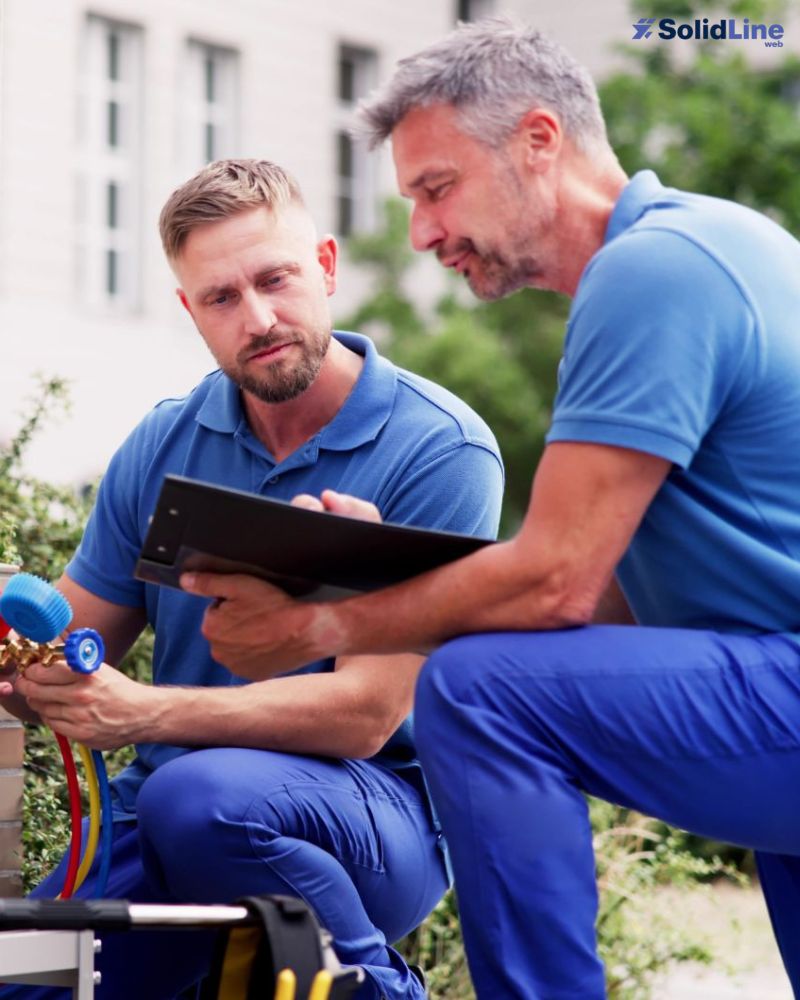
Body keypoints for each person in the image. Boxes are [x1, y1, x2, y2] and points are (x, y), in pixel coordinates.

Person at [180, 19, 800, 1000]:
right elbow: (608, 602)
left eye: (436, 187)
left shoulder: (653, 271)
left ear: (538, 141)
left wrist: (318, 622)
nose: (422, 232)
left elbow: (554, 585)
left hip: (781, 688)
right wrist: (394, 572)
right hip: (765, 682)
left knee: (481, 691)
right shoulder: (704, 246)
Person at [0, 158, 504, 1000]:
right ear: (190, 311)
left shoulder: (438, 450)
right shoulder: (162, 445)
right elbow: (62, 655)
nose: (260, 317)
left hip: (377, 819)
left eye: (277, 279)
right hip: (158, 818)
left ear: (328, 267)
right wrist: (19, 661)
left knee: (201, 796)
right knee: (21, 981)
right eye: (223, 298)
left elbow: (367, 715)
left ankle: (376, 990)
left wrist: (150, 713)